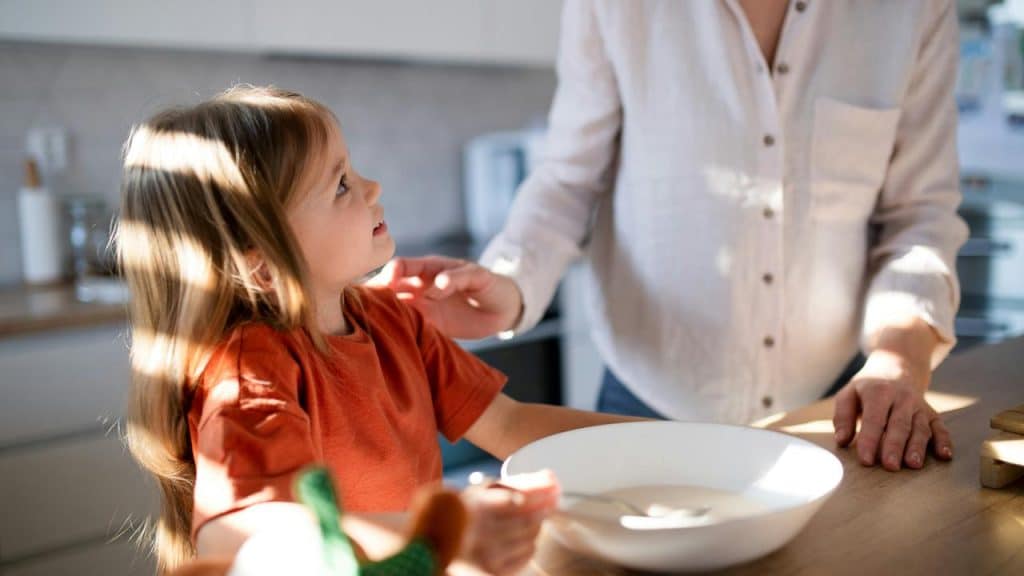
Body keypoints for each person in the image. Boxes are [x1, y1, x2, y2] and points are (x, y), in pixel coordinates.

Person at [377, 0, 968, 474]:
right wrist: (509, 281)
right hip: (643, 404)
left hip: (837, 408)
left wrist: (901, 357)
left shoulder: (912, 10)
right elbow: (567, 179)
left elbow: (919, 211)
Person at [116, 85, 640, 575]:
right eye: (341, 183)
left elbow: (509, 423)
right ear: (262, 265)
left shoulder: (392, 321)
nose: (372, 186)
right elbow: (245, 540)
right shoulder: (248, 373)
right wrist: (443, 532)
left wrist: (670, 440)